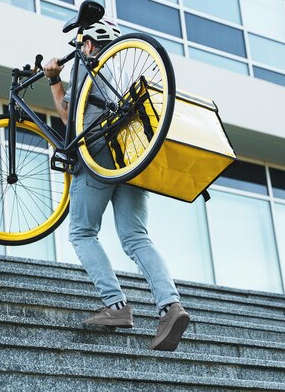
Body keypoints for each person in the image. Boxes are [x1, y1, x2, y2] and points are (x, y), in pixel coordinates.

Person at [43, 19, 190, 352]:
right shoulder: (126, 66)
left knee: (81, 232)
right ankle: (170, 306)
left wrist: (54, 79)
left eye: (81, 45)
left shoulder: (87, 64)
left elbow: (70, 118)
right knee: (136, 236)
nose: (80, 50)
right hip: (133, 154)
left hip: (99, 152)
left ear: (89, 45)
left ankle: (116, 304)